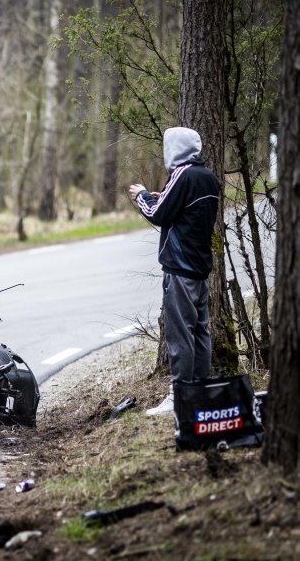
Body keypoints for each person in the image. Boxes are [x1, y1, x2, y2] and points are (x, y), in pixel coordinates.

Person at [128, 126, 220, 416]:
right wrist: (163, 196)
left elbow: (158, 214)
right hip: (200, 267)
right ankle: (200, 391)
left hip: (179, 269)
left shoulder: (182, 174)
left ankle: (179, 396)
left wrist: (142, 195)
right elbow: (183, 211)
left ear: (175, 150)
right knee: (199, 333)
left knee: (180, 334)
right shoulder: (208, 177)